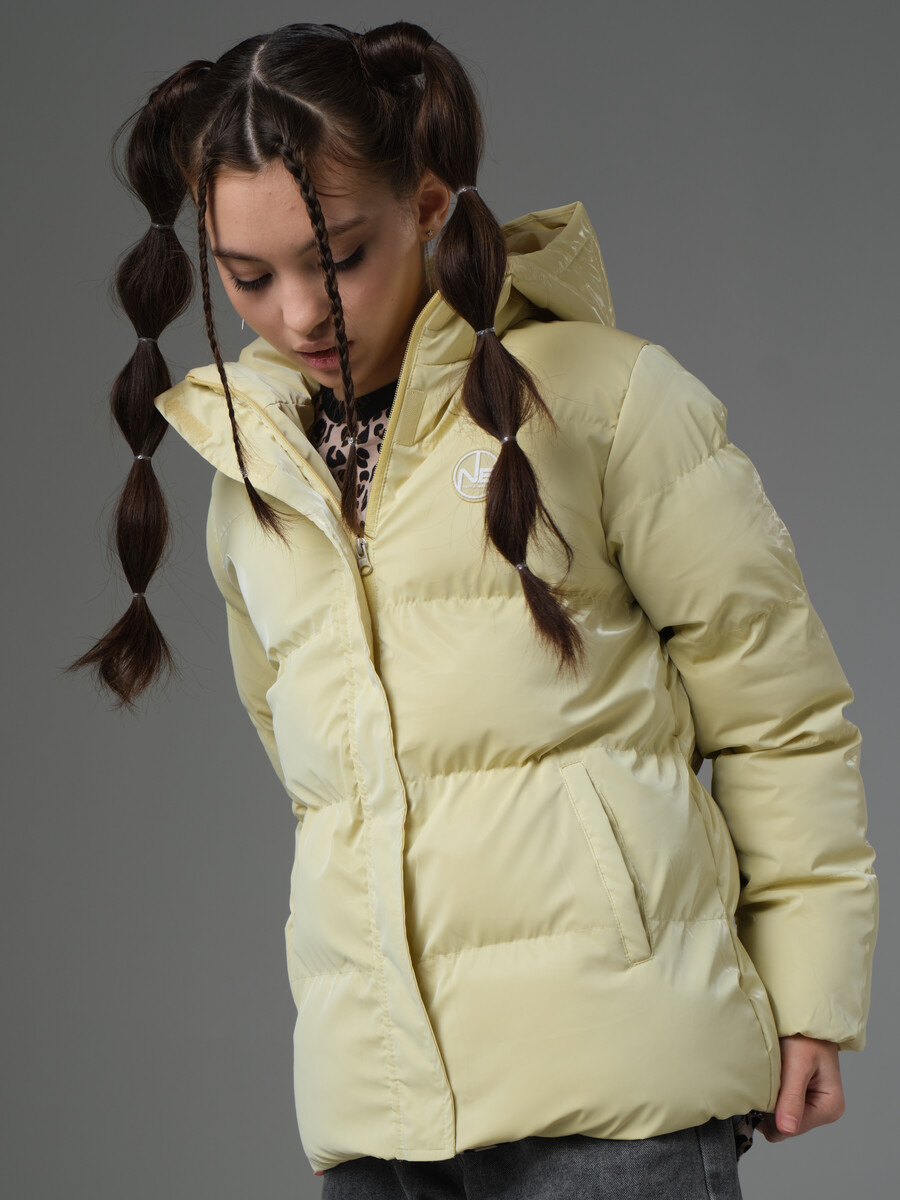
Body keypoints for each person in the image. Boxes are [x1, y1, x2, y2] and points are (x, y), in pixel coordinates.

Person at [68, 19, 878, 1199]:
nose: (299, 314)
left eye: (338, 256)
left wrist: (809, 992)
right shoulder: (255, 482)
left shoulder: (608, 403)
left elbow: (780, 716)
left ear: (429, 207)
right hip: (383, 1116)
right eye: (248, 278)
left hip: (620, 1097)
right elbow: (318, 778)